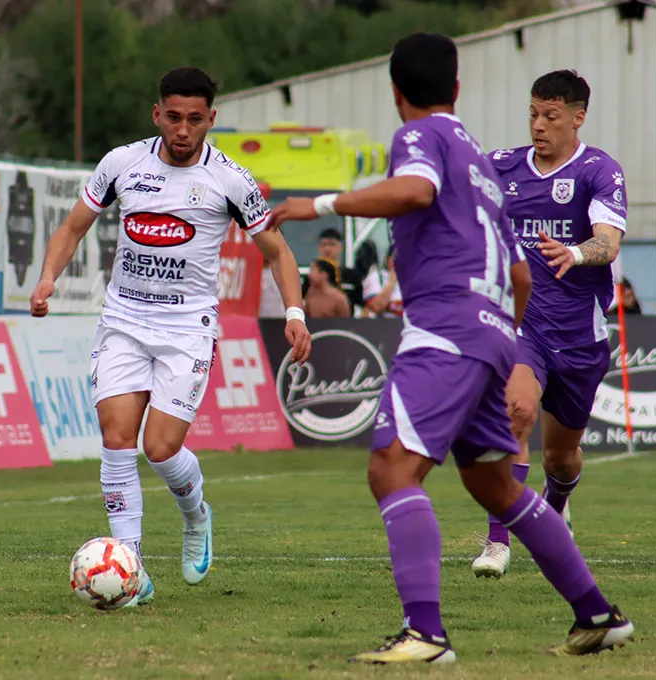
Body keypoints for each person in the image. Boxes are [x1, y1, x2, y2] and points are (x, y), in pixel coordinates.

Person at [270, 34, 633, 664]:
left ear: (396, 92)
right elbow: (521, 275)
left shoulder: (423, 137)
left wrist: (316, 204)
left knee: (390, 467)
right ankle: (597, 614)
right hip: (495, 331)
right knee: (496, 485)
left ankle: (425, 634)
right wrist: (502, 338)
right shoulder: (480, 161)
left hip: (447, 330)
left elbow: (411, 191)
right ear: (457, 90)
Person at [30, 67, 311, 607]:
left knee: (160, 448)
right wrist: (48, 278)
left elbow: (278, 252)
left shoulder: (230, 180)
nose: (183, 130)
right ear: (157, 113)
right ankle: (130, 567)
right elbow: (72, 228)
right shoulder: (121, 164)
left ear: (211, 119)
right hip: (123, 322)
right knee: (116, 438)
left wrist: (294, 312)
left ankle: (196, 515)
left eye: (195, 119)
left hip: (187, 329)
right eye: (174, 117)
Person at [471, 70, 629, 579]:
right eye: (533, 114)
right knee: (515, 412)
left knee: (562, 457)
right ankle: (498, 542)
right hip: (522, 326)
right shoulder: (501, 166)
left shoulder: (599, 171)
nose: (538, 125)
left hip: (580, 338)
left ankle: (557, 500)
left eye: (551, 116)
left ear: (578, 117)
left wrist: (577, 252)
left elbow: (608, 241)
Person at [300, 227, 364, 311]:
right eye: (324, 245)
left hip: (347, 322)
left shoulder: (352, 275)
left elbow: (362, 304)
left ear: (340, 247)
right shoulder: (312, 278)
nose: (327, 249)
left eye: (332, 244)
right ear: (319, 248)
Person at [361, 243, 403, 317]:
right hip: (383, 325)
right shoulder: (376, 277)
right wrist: (391, 283)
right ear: (387, 259)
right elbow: (375, 307)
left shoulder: (417, 281)